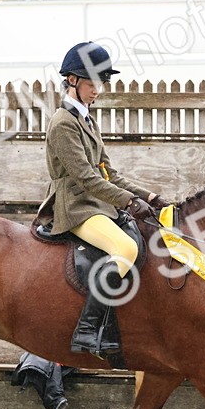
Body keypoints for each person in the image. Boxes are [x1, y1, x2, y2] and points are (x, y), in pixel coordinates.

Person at [33, 41, 168, 358]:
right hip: (76, 207)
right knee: (125, 248)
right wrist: (127, 202)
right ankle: (88, 329)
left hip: (97, 203)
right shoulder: (63, 123)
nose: (98, 90)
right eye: (92, 83)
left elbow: (107, 171)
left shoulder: (87, 120)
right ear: (73, 81)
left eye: (101, 83)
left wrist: (147, 195)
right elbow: (85, 177)